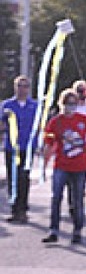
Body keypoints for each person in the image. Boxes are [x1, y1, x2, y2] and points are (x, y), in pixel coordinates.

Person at [41, 88, 86, 244]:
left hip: (81, 165)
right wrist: (44, 165)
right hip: (61, 164)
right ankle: (54, 230)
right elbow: (49, 144)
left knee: (77, 199)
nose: (70, 106)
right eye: (68, 103)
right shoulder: (55, 122)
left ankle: (77, 230)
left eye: (73, 103)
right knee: (56, 198)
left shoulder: (83, 119)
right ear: (62, 104)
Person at [3, 75, 39, 223]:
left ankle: (23, 209)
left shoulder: (35, 106)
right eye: (19, 86)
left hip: (28, 147)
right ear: (15, 87)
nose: (22, 89)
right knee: (13, 179)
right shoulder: (7, 105)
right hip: (12, 147)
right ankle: (14, 209)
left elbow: (40, 126)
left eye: (25, 86)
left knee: (24, 178)